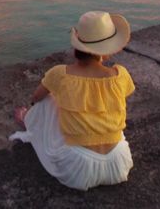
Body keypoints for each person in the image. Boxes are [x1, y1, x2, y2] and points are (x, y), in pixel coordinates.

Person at [10, 11, 135, 191]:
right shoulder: (120, 75)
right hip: (118, 163)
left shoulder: (60, 74)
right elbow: (121, 95)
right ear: (106, 52)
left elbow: (36, 97)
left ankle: (27, 120)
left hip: (78, 169)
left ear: (76, 47)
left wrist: (33, 109)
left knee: (49, 99)